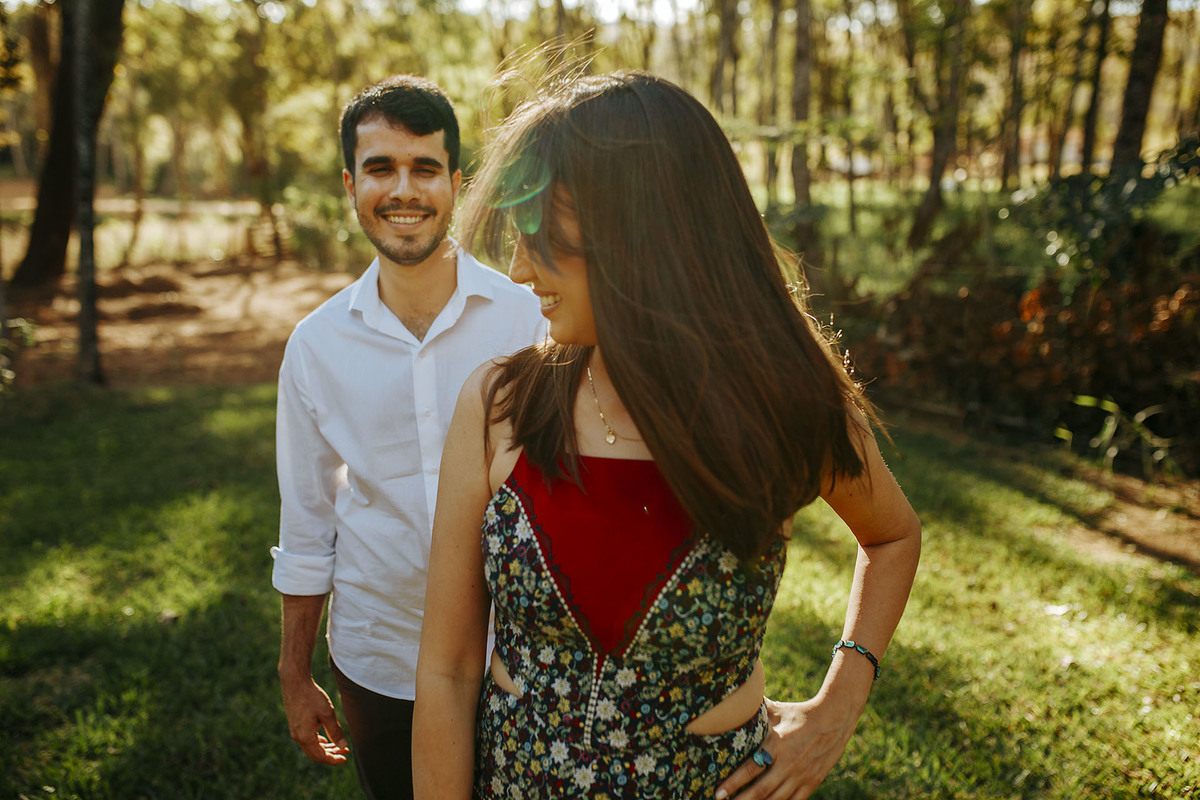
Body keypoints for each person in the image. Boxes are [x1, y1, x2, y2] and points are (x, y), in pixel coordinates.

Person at [412, 71, 921, 800]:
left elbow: (893, 535)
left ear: (637, 234)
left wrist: (840, 703)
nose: (519, 270)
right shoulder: (499, 405)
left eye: (542, 238)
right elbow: (448, 669)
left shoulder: (789, 403)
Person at [270, 74, 545, 800]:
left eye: (425, 168)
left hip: (521, 659)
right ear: (350, 184)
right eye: (380, 168)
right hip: (379, 659)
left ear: (455, 182)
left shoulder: (529, 320)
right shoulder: (316, 346)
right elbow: (307, 523)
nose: (403, 190)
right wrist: (294, 674)